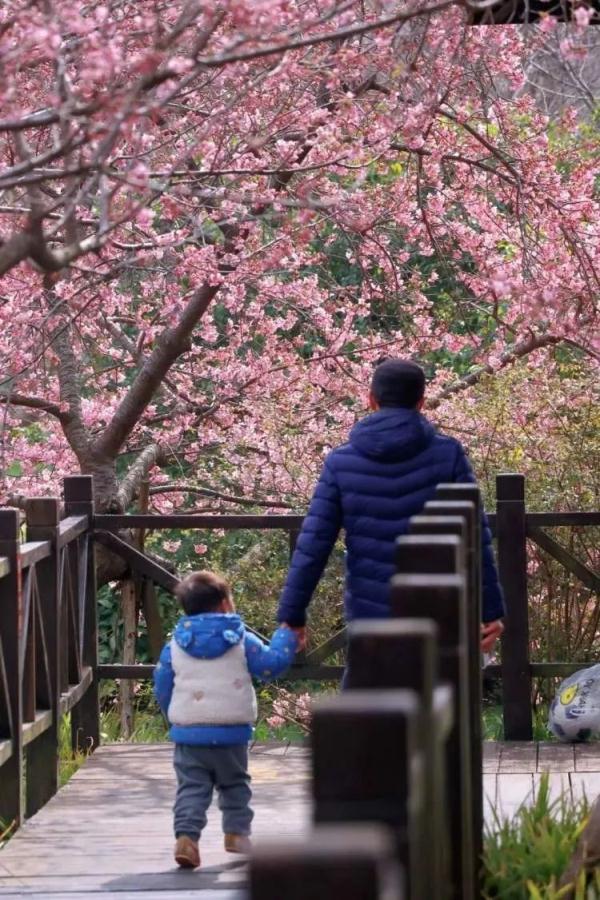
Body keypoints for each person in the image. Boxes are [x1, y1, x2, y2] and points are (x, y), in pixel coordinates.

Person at [277, 358, 504, 654]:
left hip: (370, 617)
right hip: (437, 615)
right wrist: (490, 611)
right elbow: (474, 535)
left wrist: (292, 616)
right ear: (421, 402)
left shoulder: (340, 462)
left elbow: (314, 543)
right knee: (437, 696)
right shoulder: (448, 455)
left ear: (370, 399)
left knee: (367, 694)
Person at [153, 570, 298, 869]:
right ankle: (236, 834)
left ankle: (186, 839)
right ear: (223, 604)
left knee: (192, 787)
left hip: (190, 734)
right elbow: (271, 666)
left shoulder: (175, 646)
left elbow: (162, 684)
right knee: (234, 784)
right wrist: (286, 636)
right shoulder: (242, 640)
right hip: (231, 733)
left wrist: (174, 718)